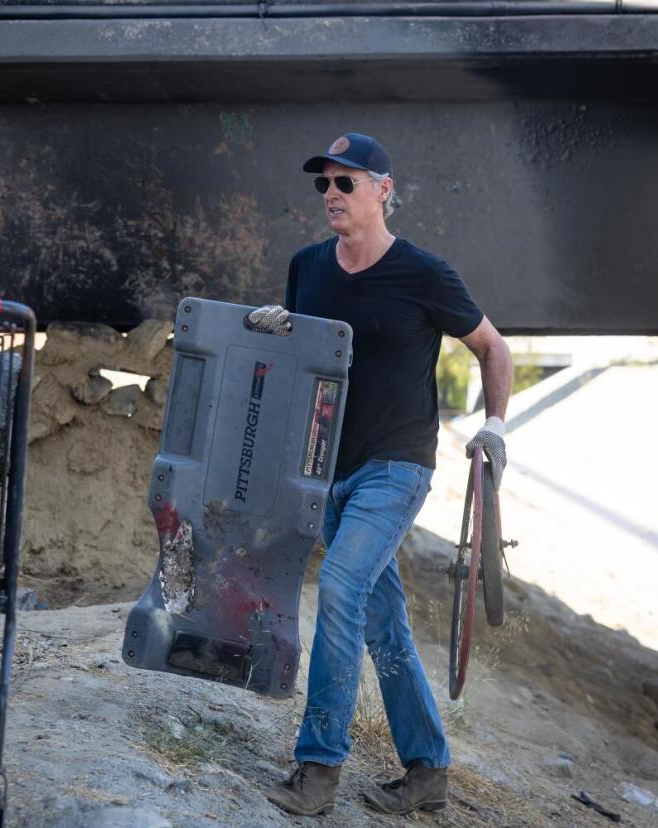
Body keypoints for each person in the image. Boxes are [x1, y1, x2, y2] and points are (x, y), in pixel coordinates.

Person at [253, 132, 512, 817]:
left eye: (347, 183)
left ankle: (317, 771)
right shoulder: (307, 266)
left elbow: (492, 347)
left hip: (396, 467)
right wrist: (271, 333)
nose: (332, 195)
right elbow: (302, 358)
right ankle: (428, 772)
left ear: (384, 190)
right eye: (324, 185)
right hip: (329, 466)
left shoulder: (423, 273)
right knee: (382, 623)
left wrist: (495, 425)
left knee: (339, 587)